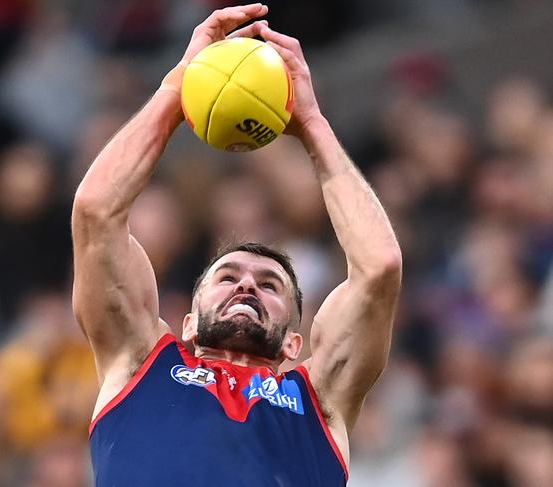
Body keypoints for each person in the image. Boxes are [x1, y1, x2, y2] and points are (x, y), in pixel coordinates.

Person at [71, 4, 402, 486]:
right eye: (227, 277)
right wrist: (177, 88)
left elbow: (380, 269)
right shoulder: (141, 362)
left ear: (294, 340)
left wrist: (311, 123)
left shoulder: (320, 401)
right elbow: (96, 212)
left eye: (270, 285)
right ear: (187, 321)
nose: (246, 284)